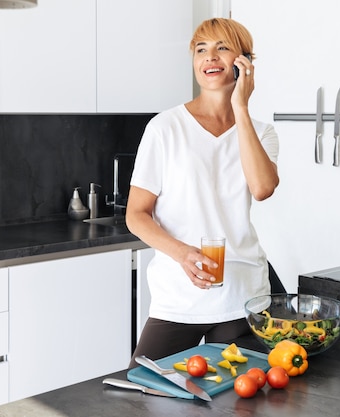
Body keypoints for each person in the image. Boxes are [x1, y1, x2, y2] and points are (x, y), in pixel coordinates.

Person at [126, 18, 279, 368]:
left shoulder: (261, 132)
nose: (210, 57)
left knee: (238, 398)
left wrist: (240, 107)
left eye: (222, 47)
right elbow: (136, 214)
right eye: (201, 49)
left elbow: (263, 188)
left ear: (244, 62)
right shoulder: (165, 128)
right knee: (145, 390)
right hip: (180, 295)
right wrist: (182, 254)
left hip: (244, 295)